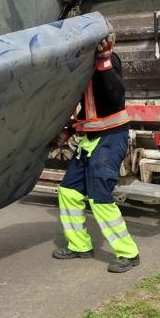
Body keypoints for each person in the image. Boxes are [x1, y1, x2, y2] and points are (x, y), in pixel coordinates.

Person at [51, 31, 140, 273]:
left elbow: (114, 97)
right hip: (91, 140)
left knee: (100, 197)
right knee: (69, 191)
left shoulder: (109, 63)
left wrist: (103, 62)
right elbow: (89, 109)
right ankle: (80, 245)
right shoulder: (83, 69)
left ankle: (128, 253)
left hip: (110, 140)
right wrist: (69, 132)